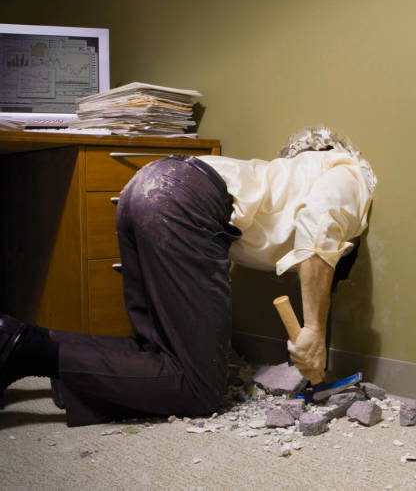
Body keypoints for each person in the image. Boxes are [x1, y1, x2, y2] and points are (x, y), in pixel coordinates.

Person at [0, 125, 376, 427]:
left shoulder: (282, 179)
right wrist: (312, 331)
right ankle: (28, 349)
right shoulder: (349, 172)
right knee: (199, 390)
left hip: (147, 187)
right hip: (180, 199)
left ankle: (29, 349)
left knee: (159, 352)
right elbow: (319, 224)